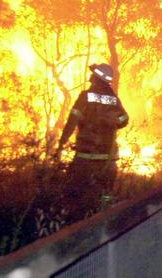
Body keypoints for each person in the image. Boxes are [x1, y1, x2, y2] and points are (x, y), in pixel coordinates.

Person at [54, 63, 129, 221]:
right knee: (106, 193)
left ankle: (74, 225)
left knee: (75, 193)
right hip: (108, 159)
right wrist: (113, 121)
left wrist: (61, 144)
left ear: (97, 78)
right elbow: (124, 119)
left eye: (93, 74)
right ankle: (105, 219)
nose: (90, 76)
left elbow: (72, 120)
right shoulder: (113, 99)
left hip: (86, 157)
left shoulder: (86, 96)